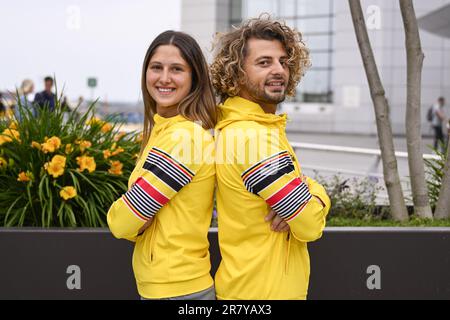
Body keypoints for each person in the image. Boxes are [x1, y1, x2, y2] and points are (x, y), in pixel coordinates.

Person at [211, 16, 331, 300]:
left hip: (250, 288)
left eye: (283, 61)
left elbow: (301, 214)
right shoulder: (253, 138)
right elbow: (310, 224)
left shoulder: (251, 128)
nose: (279, 70)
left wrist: (304, 196)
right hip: (264, 293)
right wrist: (317, 193)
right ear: (236, 73)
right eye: (264, 63)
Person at [107, 31, 217, 300]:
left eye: (177, 69)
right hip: (168, 286)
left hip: (178, 289)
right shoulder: (164, 131)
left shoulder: (184, 139)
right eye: (156, 67)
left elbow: (123, 222)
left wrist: (129, 218)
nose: (164, 78)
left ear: (194, 79)